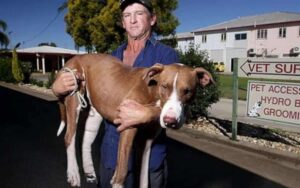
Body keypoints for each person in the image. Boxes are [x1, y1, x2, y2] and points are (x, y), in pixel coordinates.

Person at [52, 0, 178, 187]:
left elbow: (180, 107)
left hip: (149, 161)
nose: (133, 20)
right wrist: (57, 89)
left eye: (139, 14)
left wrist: (149, 113)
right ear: (123, 23)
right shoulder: (111, 58)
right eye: (127, 16)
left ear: (152, 19)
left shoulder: (167, 57)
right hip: (111, 156)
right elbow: (87, 101)